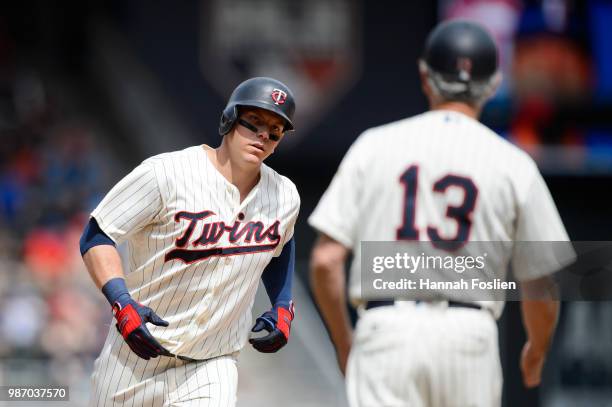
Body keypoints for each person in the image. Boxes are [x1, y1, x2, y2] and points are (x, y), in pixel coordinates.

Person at [308, 20, 572, 407]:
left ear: (425, 77)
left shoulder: (374, 145)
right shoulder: (514, 163)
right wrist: (536, 348)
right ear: (495, 84)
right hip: (469, 337)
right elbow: (540, 283)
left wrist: (345, 342)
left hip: (386, 333)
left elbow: (325, 261)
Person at [80, 77, 300, 406]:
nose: (263, 136)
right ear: (229, 119)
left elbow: (281, 245)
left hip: (212, 364)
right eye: (254, 123)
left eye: (275, 130)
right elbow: (97, 234)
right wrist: (121, 301)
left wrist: (282, 305)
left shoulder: (284, 196)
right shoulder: (166, 173)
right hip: (133, 358)